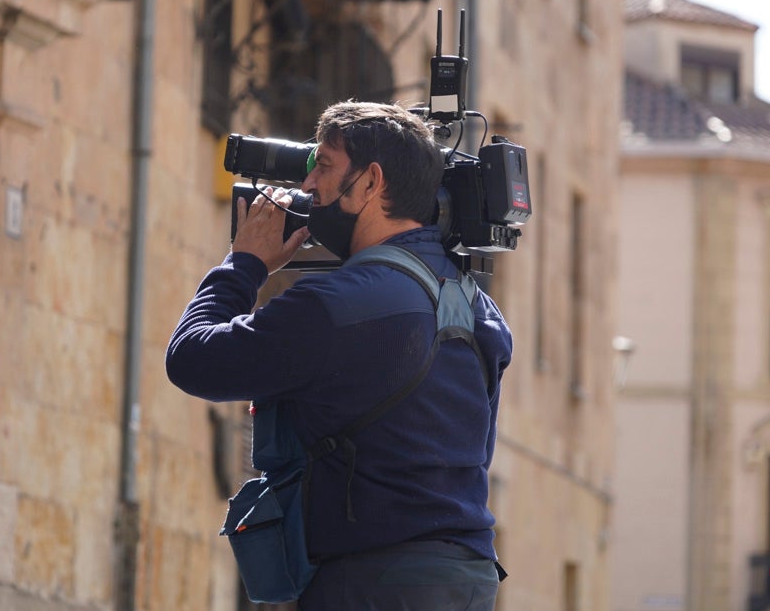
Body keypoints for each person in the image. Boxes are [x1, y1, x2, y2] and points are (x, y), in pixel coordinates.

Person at [166, 101, 512, 610]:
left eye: (323, 166)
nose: (308, 187)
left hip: (372, 582)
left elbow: (193, 358)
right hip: (467, 580)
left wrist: (244, 265)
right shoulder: (481, 311)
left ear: (371, 184)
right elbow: (478, 452)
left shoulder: (336, 305)